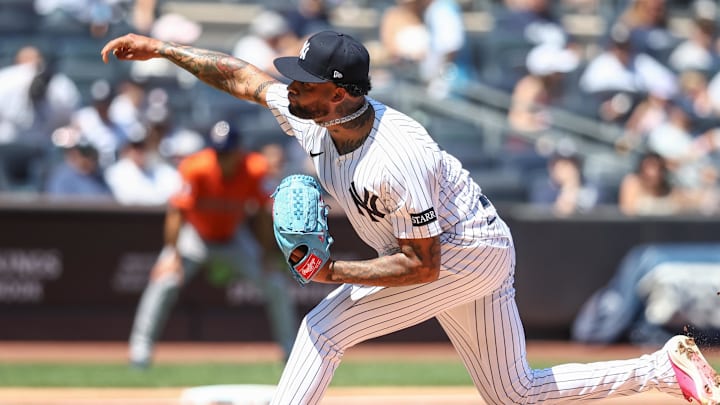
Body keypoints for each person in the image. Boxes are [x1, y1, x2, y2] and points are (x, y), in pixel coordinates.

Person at [101, 29, 720, 404]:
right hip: (471, 247)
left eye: (306, 81)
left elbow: (424, 267)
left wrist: (330, 269)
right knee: (513, 392)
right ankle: (663, 366)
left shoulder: (396, 156)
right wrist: (162, 50)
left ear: (339, 93)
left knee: (323, 328)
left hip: (462, 252)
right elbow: (241, 77)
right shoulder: (311, 116)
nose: (291, 86)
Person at [126, 120, 298, 368]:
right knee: (163, 281)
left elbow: (262, 213)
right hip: (195, 236)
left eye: (227, 152)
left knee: (275, 284)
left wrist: (265, 254)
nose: (222, 158)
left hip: (234, 237)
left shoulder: (254, 168)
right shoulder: (195, 167)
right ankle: (139, 352)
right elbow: (176, 212)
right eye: (218, 152)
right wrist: (172, 255)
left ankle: (291, 352)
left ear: (239, 151)